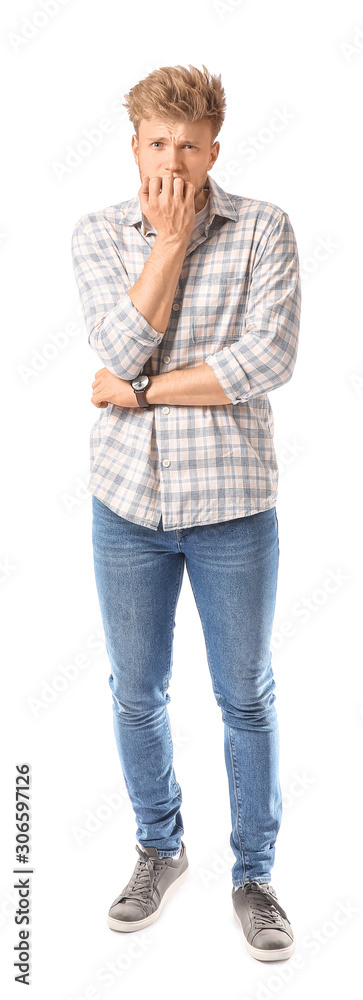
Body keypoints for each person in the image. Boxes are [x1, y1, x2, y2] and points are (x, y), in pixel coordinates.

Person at [71, 63, 301, 963]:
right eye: (156, 144)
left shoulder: (262, 230)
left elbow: (264, 361)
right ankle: (158, 850)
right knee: (136, 693)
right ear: (134, 147)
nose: (172, 161)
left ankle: (253, 875)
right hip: (125, 507)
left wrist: (137, 392)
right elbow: (114, 342)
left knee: (243, 694)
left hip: (232, 508)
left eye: (188, 146)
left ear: (213, 149)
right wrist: (164, 248)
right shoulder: (97, 234)